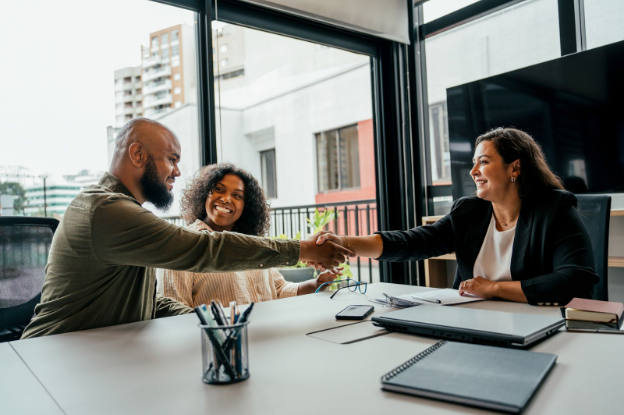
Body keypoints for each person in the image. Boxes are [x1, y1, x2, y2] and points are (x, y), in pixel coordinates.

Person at [21, 118, 351, 339]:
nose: (177, 172)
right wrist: (304, 249)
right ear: (138, 154)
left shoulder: (123, 214)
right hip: (50, 356)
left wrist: (208, 321)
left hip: (96, 353)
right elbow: (201, 250)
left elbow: (153, 301)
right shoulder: (107, 210)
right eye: (172, 159)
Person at [315, 128, 598, 305]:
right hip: (472, 320)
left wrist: (494, 288)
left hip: (536, 324)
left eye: (483, 162)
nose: (473, 171)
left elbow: (576, 279)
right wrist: (344, 242)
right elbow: (417, 241)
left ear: (515, 168)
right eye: (473, 162)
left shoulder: (555, 209)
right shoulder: (469, 211)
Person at [161, 164, 338, 307]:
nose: (226, 199)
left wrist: (316, 284)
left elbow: (279, 289)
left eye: (237, 195)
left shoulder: (255, 245)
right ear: (203, 194)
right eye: (218, 189)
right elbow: (175, 307)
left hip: (267, 340)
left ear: (247, 206)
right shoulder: (184, 245)